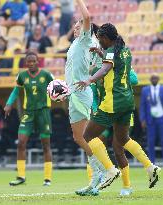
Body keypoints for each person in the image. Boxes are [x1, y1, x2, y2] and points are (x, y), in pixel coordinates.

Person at [75, 23, 161, 196]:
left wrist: (89, 80)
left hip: (113, 101)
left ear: (107, 38)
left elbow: (106, 68)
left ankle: (110, 170)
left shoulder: (110, 51)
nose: (99, 42)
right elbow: (115, 64)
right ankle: (150, 167)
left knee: (87, 135)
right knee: (123, 139)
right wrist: (101, 53)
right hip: (128, 101)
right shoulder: (125, 49)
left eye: (100, 39)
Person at [64, 0, 120, 196]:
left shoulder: (85, 39)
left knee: (86, 136)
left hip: (81, 93)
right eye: (75, 25)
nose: (76, 26)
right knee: (79, 137)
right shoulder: (76, 45)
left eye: (78, 25)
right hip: (76, 92)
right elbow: (86, 69)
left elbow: (87, 17)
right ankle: (96, 176)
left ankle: (108, 170)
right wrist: (65, 89)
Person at [4, 51, 54, 186]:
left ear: (38, 61)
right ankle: (21, 176)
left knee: (46, 145)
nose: (31, 63)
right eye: (28, 61)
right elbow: (16, 91)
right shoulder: (22, 76)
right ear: (26, 63)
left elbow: (57, 87)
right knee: (21, 143)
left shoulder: (46, 75)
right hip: (29, 113)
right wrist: (9, 103)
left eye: (33, 61)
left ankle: (47, 178)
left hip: (43, 113)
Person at [140, 73, 163, 169]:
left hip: (162, 117)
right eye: (152, 78)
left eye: (155, 78)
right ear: (150, 80)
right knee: (150, 141)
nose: (154, 79)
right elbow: (142, 106)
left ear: (158, 79)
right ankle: (151, 163)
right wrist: (142, 119)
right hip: (150, 119)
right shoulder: (145, 90)